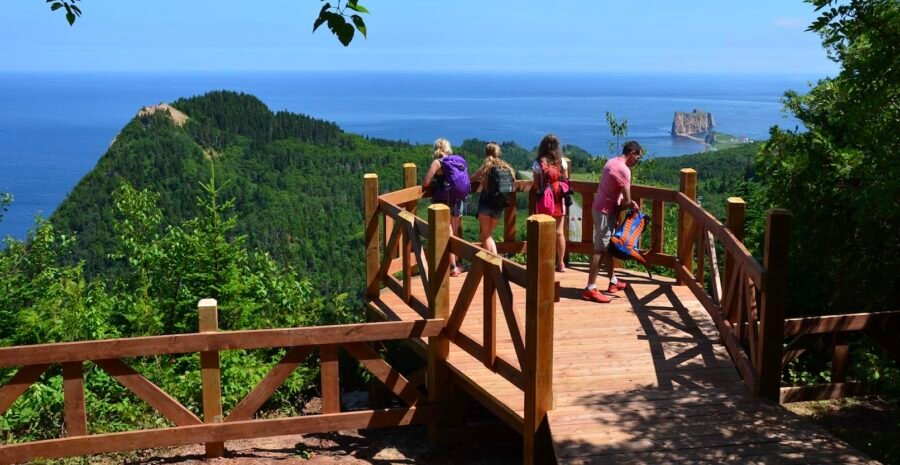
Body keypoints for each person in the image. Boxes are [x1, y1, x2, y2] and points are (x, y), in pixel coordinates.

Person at [583, 141, 643, 303]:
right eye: (637, 158)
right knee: (599, 250)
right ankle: (590, 288)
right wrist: (632, 205)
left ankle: (613, 282)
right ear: (631, 153)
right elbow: (628, 201)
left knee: (607, 247)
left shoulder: (612, 162)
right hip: (604, 212)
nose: (637, 162)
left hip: (600, 208)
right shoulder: (624, 170)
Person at [423, 138, 467, 277]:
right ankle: (459, 264)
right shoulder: (457, 161)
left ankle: (453, 267)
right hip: (458, 200)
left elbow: (426, 183)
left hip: (443, 202)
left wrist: (434, 186)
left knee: (448, 234)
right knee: (455, 233)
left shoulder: (437, 162)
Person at [532, 134, 569, 272]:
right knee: (559, 233)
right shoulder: (562, 162)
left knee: (543, 231)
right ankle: (560, 263)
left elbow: (536, 185)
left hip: (544, 200)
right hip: (559, 200)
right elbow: (565, 180)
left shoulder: (538, 163)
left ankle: (544, 262)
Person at [470, 142, 516, 255]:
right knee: (489, 235)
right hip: (499, 205)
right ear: (498, 152)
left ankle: (493, 266)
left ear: (486, 153)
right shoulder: (506, 167)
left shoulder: (487, 166)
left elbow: (472, 178)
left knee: (485, 236)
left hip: (486, 204)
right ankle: (495, 264)